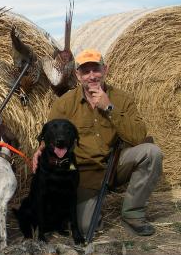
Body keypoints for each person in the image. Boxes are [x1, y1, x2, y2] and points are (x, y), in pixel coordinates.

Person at [33, 48, 163, 236]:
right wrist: (42, 149)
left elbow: (138, 136)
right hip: (85, 173)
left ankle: (133, 213)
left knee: (151, 153)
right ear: (78, 75)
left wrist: (109, 107)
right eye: (86, 71)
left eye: (96, 69)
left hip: (116, 164)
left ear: (105, 70)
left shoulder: (122, 99)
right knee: (86, 229)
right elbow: (51, 136)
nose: (92, 76)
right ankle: (85, 203)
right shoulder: (65, 104)